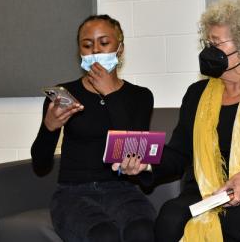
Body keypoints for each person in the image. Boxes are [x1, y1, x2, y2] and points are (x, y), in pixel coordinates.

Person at [117, 0, 240, 242]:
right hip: (207, 192)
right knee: (170, 218)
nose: (208, 50)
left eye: (217, 42)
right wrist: (147, 164)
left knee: (238, 224)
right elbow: (179, 152)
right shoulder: (197, 95)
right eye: (207, 41)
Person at [31, 14, 156, 242]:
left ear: (120, 48)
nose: (96, 51)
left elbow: (136, 151)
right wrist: (49, 128)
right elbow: (40, 165)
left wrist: (111, 94)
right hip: (72, 193)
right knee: (104, 235)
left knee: (142, 230)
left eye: (104, 43)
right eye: (87, 45)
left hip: (122, 190)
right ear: (80, 51)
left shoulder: (140, 96)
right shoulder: (64, 95)